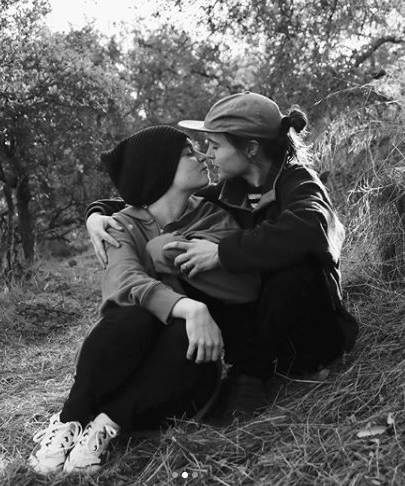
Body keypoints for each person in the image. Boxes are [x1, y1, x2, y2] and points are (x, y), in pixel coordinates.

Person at [86, 92, 360, 407]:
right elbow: (157, 191)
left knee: (291, 269)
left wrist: (220, 252)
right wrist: (97, 213)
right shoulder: (228, 190)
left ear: (251, 149)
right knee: (177, 253)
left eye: (216, 146)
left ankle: (251, 375)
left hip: (309, 328)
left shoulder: (298, 182)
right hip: (254, 322)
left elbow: (311, 229)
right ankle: (234, 367)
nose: (207, 154)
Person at [28, 125, 262, 476]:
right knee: (132, 316)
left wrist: (183, 286)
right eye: (188, 153)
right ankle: (70, 419)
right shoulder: (120, 225)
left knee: (184, 332)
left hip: (180, 377)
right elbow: (124, 280)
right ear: (161, 169)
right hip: (117, 366)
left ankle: (106, 425)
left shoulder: (215, 215)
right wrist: (190, 306)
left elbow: (244, 285)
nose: (202, 156)